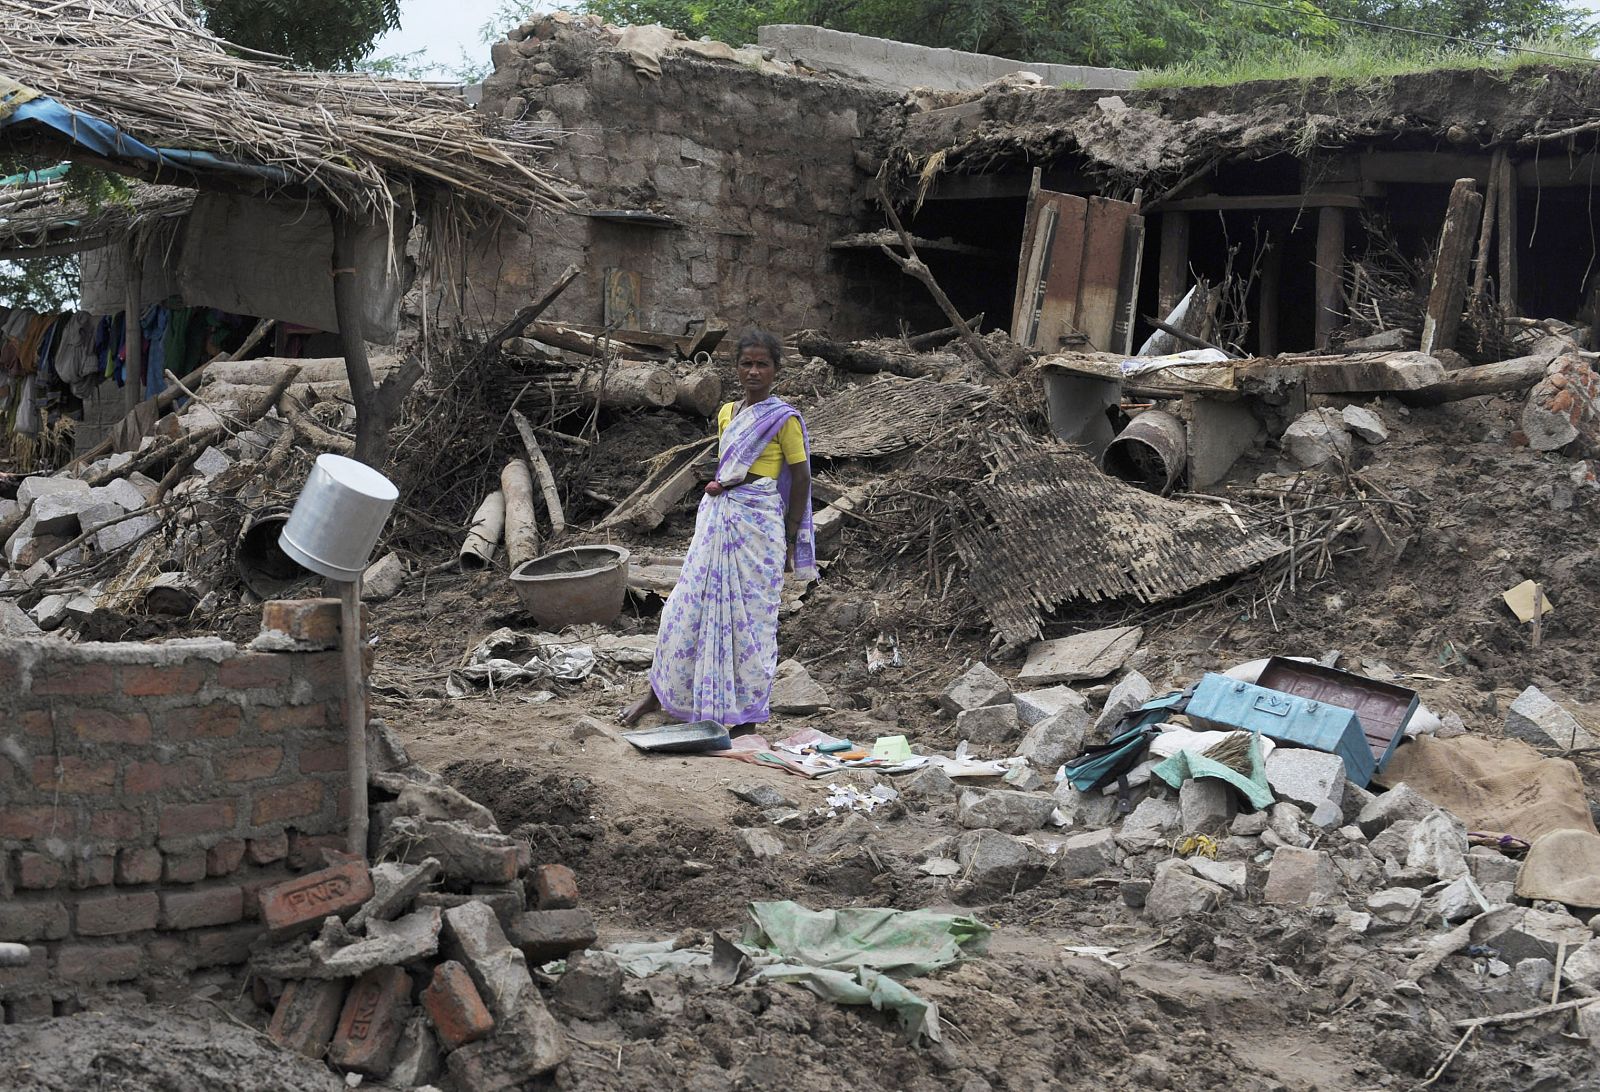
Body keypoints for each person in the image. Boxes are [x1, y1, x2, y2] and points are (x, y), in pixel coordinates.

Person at [621, 330, 815, 728]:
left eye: (763, 364)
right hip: (719, 518)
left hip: (758, 524)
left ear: (776, 369)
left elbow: (802, 478)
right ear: (736, 368)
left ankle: (744, 716)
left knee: (750, 620)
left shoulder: (784, 420)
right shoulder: (727, 412)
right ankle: (658, 696)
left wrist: (792, 536)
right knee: (686, 608)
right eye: (747, 363)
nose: (754, 371)